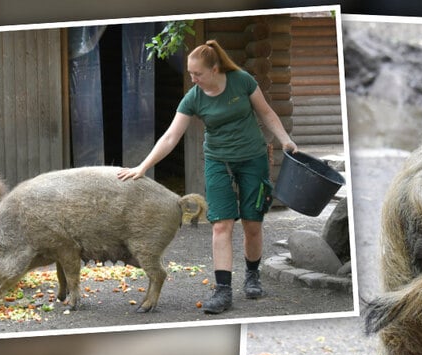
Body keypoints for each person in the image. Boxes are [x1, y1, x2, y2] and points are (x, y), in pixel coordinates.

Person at [118, 39, 297, 314]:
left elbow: (267, 113)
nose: (193, 79)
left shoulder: (241, 80)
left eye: (197, 74)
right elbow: (170, 137)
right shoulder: (194, 97)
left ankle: (252, 275)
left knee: (252, 223)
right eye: (190, 74)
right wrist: (143, 166)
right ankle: (223, 291)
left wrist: (285, 140)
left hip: (252, 159)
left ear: (215, 69)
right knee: (221, 225)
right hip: (218, 162)